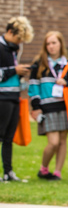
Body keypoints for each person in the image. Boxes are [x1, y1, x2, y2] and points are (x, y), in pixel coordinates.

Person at [28, 31, 68, 181]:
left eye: (54, 43)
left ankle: (57, 172)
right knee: (53, 142)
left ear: (60, 44)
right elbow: (33, 88)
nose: (51, 46)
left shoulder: (67, 65)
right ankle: (43, 169)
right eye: (48, 43)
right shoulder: (39, 65)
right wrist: (36, 107)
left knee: (63, 141)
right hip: (47, 108)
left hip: (64, 108)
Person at [0, 16, 34, 182]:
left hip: (14, 97)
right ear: (9, 31)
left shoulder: (13, 50)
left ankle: (8, 172)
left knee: (9, 137)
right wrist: (15, 70)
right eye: (18, 38)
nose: (19, 43)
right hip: (2, 98)